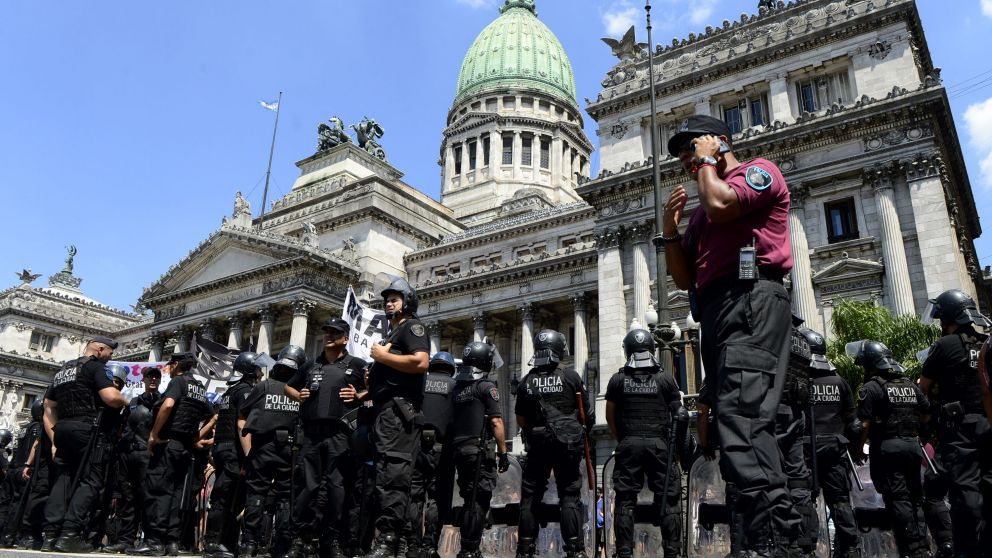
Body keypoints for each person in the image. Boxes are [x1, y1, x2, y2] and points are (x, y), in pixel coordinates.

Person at [662, 114, 797, 555]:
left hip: (752, 300)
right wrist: (670, 232)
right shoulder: (700, 215)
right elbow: (682, 279)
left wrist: (707, 163)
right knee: (730, 421)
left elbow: (723, 204)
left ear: (719, 142)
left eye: (691, 147)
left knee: (744, 416)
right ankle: (753, 538)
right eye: (682, 152)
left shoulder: (756, 172)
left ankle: (779, 539)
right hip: (718, 311)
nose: (686, 158)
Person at [284, 319, 366, 558]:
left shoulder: (357, 365)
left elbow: (374, 390)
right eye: (327, 332)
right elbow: (288, 387)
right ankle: (301, 540)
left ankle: (333, 540)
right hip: (311, 434)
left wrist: (359, 395)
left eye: (335, 333)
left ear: (346, 338)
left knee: (337, 489)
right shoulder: (310, 365)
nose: (329, 336)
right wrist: (298, 394)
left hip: (341, 436)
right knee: (306, 489)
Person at [918, 288, 992, 557]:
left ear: (947, 316)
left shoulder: (945, 345)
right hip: (987, 421)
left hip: (959, 427)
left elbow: (923, 386)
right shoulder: (986, 342)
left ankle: (969, 549)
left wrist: (926, 421)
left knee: (964, 490)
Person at [364, 277, 430, 558]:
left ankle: (389, 538)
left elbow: (420, 362)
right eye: (387, 299)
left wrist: (381, 357)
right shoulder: (392, 334)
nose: (389, 302)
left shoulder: (411, 327)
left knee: (394, 475)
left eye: (395, 298)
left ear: (408, 302)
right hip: (385, 411)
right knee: (386, 475)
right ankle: (398, 539)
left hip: (398, 412)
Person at [42, 335, 127, 553]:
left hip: (63, 429)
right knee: (90, 480)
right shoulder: (95, 367)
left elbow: (48, 407)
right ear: (99, 350)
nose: (110, 358)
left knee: (62, 479)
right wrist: (124, 399)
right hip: (88, 430)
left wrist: (53, 439)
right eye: (109, 353)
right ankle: (70, 534)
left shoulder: (63, 370)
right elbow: (110, 397)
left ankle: (50, 535)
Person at [605, 329, 684, 558]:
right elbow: (680, 415)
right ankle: (672, 552)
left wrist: (624, 439)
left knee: (625, 500)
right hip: (660, 445)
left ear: (628, 349)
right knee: (669, 499)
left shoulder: (618, 379)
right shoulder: (665, 378)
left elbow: (610, 416)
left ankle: (624, 553)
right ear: (652, 348)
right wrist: (677, 449)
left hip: (629, 444)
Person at [515, 329, 592, 558]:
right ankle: (575, 550)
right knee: (569, 495)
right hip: (567, 445)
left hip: (537, 444)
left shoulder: (526, 381)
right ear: (559, 350)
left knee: (530, 496)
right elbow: (586, 414)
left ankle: (525, 549)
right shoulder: (571, 376)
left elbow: (520, 420)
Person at [850, 340, 930, 558]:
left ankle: (912, 547)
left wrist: (858, 450)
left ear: (871, 364)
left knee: (898, 498)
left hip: (887, 448)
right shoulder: (909, 385)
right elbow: (926, 414)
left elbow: (864, 424)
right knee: (915, 496)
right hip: (912, 446)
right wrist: (918, 437)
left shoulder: (871, 388)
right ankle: (922, 544)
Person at [129, 353, 213, 556]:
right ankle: (171, 541)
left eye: (171, 365)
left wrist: (153, 435)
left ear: (177, 365)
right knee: (176, 494)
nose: (169, 369)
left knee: (158, 491)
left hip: (168, 443)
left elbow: (167, 405)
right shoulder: (199, 388)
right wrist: (194, 438)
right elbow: (212, 414)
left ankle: (154, 541)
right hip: (185, 448)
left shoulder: (178, 382)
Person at [238, 345, 304, 558]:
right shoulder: (300, 392)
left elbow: (242, 418)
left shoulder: (264, 387)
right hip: (290, 451)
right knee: (286, 497)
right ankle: (282, 545)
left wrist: (248, 451)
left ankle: (249, 544)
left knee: (257, 494)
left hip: (263, 449)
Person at [800, 328, 861, 558]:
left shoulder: (798, 380)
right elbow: (854, 425)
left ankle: (808, 550)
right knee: (841, 502)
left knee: (805, 500)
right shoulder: (840, 382)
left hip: (805, 452)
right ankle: (851, 549)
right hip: (836, 451)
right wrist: (853, 453)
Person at [449, 341, 509, 558]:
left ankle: (467, 546)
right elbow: (496, 422)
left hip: (459, 451)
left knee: (468, 500)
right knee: (480, 499)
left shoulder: (456, 389)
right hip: (479, 450)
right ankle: (470, 549)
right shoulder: (486, 386)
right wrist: (503, 452)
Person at [201, 353, 263, 558]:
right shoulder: (245, 390)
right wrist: (249, 453)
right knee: (226, 496)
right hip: (232, 451)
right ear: (249, 370)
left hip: (222, 448)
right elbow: (242, 423)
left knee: (230, 496)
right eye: (257, 369)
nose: (261, 373)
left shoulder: (231, 390)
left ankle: (225, 543)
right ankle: (214, 542)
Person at [104, 366, 162, 554]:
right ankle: (125, 539)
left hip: (149, 457)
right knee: (128, 499)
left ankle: (150, 540)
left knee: (148, 498)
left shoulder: (162, 404)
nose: (153, 380)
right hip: (128, 455)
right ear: (143, 380)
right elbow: (123, 428)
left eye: (156, 377)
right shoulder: (133, 403)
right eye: (149, 377)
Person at [405, 351, 456, 558]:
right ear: (451, 368)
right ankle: (430, 545)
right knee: (438, 499)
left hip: (416, 447)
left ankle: (413, 546)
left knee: (414, 498)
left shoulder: (418, 384)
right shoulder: (455, 386)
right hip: (443, 450)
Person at [0, 400, 44, 548]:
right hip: (24, 470)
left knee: (7, 504)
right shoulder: (37, 428)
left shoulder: (23, 428)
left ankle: (4, 534)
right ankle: (11, 536)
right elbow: (35, 447)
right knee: (20, 505)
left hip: (13, 470)